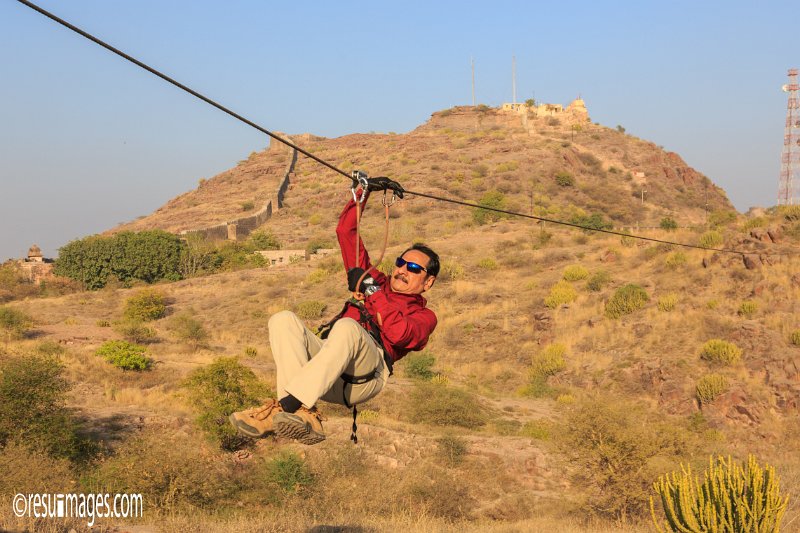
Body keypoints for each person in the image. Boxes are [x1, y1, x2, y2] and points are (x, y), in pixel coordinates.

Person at [229, 177, 439, 445]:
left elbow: (398, 334)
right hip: (327, 374)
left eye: (413, 269)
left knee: (348, 327)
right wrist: (363, 194)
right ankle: (303, 412)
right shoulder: (375, 279)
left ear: (428, 282)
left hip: (363, 378)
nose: (402, 270)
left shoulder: (425, 317)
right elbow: (346, 234)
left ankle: (285, 406)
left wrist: (373, 293)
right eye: (401, 263)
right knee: (283, 320)